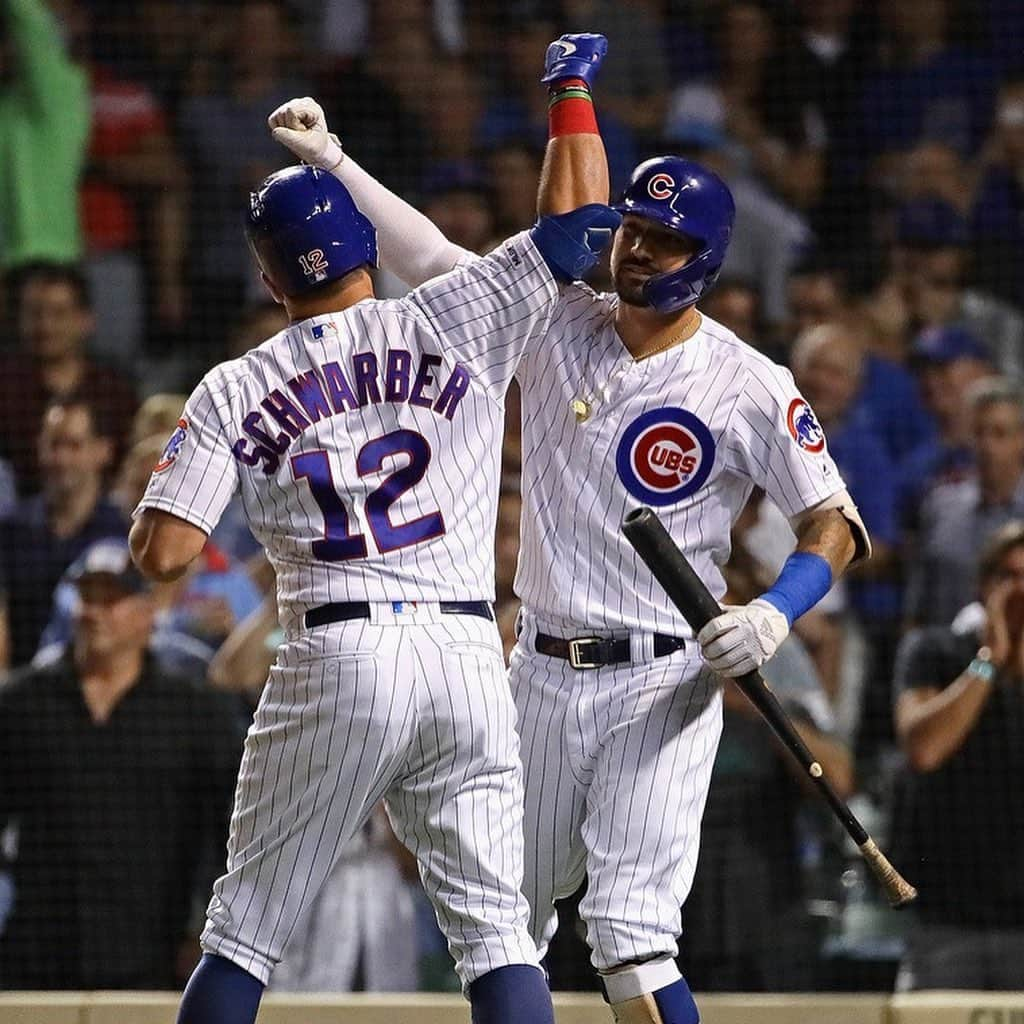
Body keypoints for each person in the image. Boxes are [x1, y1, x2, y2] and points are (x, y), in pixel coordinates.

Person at [271, 31, 869, 1023]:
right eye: (633, 228)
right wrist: (334, 164)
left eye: (665, 239)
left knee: (632, 941)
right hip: (539, 675)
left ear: (705, 260)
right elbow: (428, 259)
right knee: (499, 926)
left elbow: (834, 522)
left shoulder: (748, 380)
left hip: (663, 677)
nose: (639, 247)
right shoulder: (560, 322)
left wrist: (772, 612)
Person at [129, 107, 620, 1024]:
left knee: (243, 935)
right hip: (469, 653)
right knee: (498, 939)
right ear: (363, 245)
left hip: (337, 650)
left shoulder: (236, 383)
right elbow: (579, 230)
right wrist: (571, 93)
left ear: (268, 276)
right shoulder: (450, 313)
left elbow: (163, 557)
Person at [0, 539, 240, 989]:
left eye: (112, 599)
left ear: (148, 613)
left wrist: (205, 930)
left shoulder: (194, 713)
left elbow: (227, 827)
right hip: (38, 954)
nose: (94, 612)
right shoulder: (22, 705)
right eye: (88, 597)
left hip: (154, 956)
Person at [892, 519, 1024, 990]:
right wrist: (990, 659)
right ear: (983, 586)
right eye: (1008, 577)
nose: (1019, 592)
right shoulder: (936, 651)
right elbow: (924, 749)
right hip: (946, 922)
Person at [0, 393, 127, 671]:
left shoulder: (123, 535)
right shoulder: (10, 532)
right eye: (53, 445)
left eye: (74, 445)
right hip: (20, 688)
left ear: (103, 450)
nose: (61, 458)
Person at [0, 262, 139, 495]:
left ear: (85, 320)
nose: (45, 326)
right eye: (34, 313)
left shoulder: (113, 392)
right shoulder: (6, 387)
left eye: (58, 313)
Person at [906, 377, 1024, 628]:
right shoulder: (940, 506)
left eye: (1000, 434)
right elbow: (918, 602)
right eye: (980, 433)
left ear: (1020, 440)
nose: (988, 446)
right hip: (943, 655)